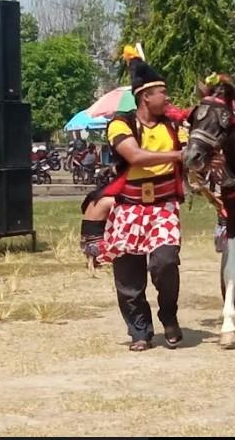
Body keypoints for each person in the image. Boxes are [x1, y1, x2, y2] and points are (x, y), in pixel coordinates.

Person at [99, 45, 185, 352]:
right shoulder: (121, 123)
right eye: (162, 92)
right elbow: (133, 156)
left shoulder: (174, 126)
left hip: (163, 206)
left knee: (165, 262)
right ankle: (139, 331)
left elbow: (193, 154)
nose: (168, 98)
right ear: (145, 96)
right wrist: (178, 154)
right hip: (129, 207)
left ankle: (169, 316)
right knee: (128, 275)